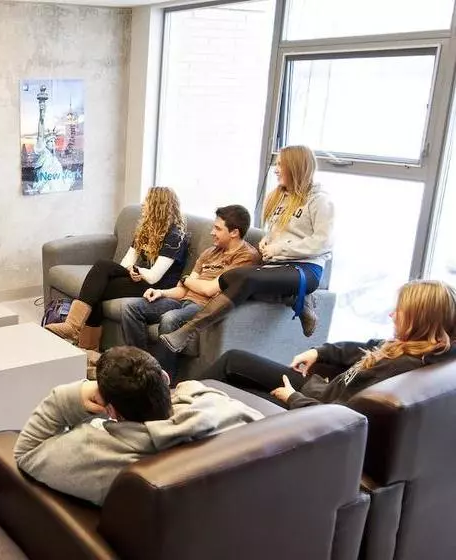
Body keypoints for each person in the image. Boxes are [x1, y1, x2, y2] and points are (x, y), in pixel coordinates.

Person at [13, 346, 263, 505]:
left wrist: (70, 397)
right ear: (165, 378)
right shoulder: (223, 408)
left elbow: (26, 451)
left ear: (111, 410)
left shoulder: (98, 454)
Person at [160, 145, 334, 356]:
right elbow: (276, 232)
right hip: (276, 266)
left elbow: (322, 243)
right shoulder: (280, 197)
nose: (276, 169)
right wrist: (266, 242)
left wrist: (279, 248)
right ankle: (294, 298)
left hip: (304, 269)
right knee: (231, 277)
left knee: (246, 280)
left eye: (281, 164)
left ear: (296, 166)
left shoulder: (320, 200)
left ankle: (188, 331)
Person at [199, 280, 456, 409]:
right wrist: (319, 351)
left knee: (224, 390)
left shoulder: (401, 366)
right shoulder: (413, 346)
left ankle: (180, 410)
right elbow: (364, 346)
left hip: (311, 409)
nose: (392, 315)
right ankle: (182, 401)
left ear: (421, 321)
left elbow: (343, 419)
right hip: (318, 391)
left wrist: (294, 398)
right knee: (233, 361)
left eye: (400, 312)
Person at [121, 205, 260, 375]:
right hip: (183, 301)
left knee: (170, 319)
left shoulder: (246, 257)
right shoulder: (210, 252)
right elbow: (183, 290)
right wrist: (161, 292)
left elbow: (209, 290)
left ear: (234, 232)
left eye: (217, 228)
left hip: (205, 307)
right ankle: (139, 368)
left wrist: (186, 279)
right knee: (131, 308)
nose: (212, 232)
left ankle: (163, 378)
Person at [45, 186, 188, 352]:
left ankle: (78, 334)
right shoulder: (146, 230)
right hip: (142, 278)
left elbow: (154, 277)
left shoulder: (175, 237)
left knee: (100, 274)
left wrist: (136, 270)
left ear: (158, 207)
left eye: (148, 201)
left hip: (158, 288)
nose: (144, 205)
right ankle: (85, 344)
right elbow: (125, 262)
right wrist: (131, 270)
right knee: (97, 287)